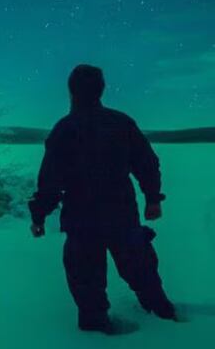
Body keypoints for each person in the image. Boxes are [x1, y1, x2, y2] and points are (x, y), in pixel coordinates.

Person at [29, 65, 178, 334]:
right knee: (139, 266)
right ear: (101, 89)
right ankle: (160, 311)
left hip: (82, 218)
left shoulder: (65, 129)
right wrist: (152, 198)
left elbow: (50, 180)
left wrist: (39, 216)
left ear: (71, 91)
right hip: (121, 212)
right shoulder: (121, 122)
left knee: (86, 276)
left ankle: (98, 324)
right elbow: (146, 163)